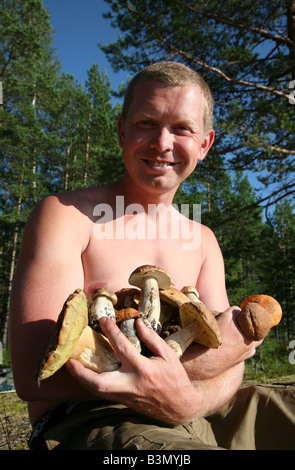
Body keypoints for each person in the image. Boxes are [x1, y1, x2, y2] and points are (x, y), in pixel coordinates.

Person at [9, 62, 295, 450]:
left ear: (205, 144)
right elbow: (32, 373)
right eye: (146, 123)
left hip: (205, 413)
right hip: (95, 420)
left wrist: (188, 401)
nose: (162, 143)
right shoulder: (66, 217)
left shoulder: (203, 240)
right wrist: (205, 364)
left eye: (181, 128)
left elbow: (235, 365)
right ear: (122, 130)